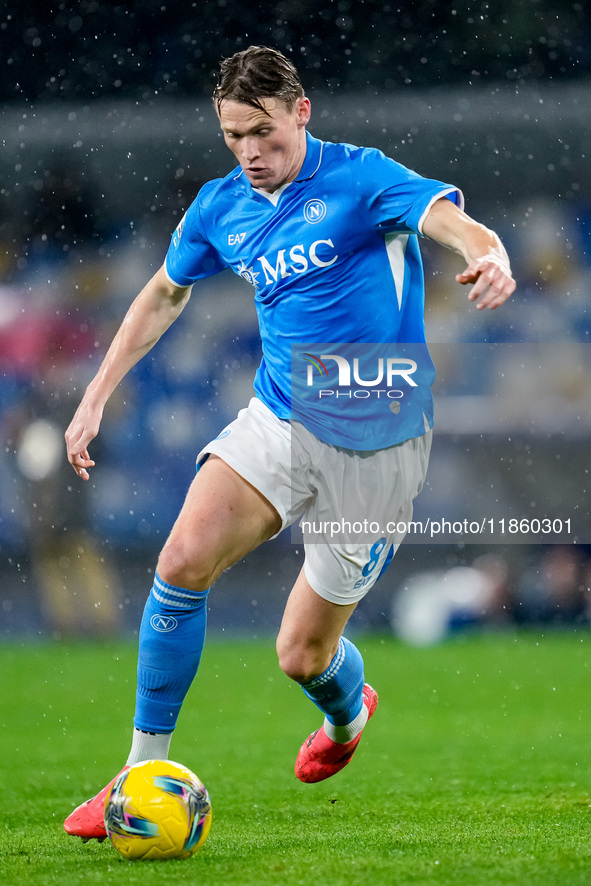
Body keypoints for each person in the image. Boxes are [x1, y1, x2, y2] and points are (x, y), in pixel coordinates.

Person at [63, 45, 515, 841]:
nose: (250, 153)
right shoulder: (219, 206)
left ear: (301, 114)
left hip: (375, 434)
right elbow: (164, 294)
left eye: (264, 134)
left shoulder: (359, 178)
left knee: (302, 657)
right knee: (179, 562)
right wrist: (95, 395)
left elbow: (451, 221)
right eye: (234, 136)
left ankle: (348, 717)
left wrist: (490, 255)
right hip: (279, 413)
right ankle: (134, 777)